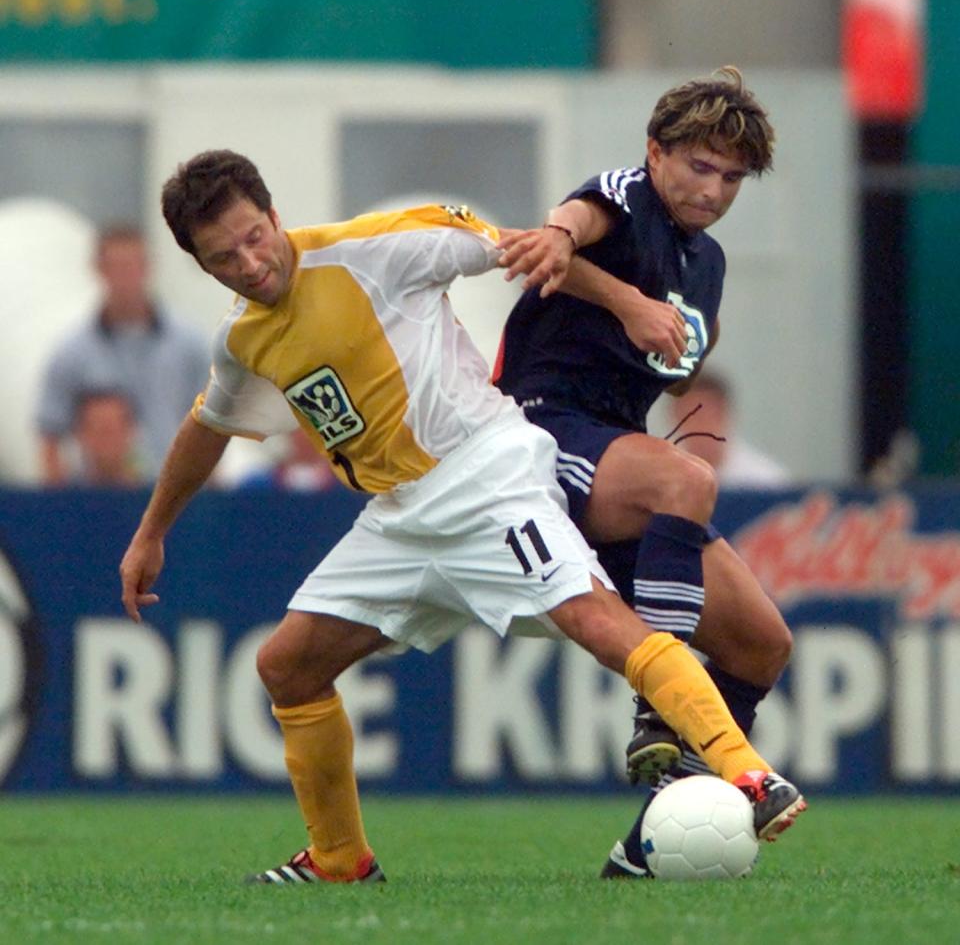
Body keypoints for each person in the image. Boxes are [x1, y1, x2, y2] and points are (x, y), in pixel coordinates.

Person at [119, 148, 804, 886]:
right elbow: (206, 427)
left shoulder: (375, 248)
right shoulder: (241, 340)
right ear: (201, 264)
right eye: (224, 258)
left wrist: (629, 302)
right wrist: (151, 531)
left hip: (487, 474)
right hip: (402, 519)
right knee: (286, 666)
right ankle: (341, 860)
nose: (249, 264)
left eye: (255, 237)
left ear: (275, 215)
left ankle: (747, 775)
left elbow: (525, 249)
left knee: (598, 623)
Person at [495, 67, 797, 878]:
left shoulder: (709, 264)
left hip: (613, 451)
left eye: (731, 177)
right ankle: (660, 707)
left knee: (763, 645)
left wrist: (673, 333)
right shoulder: (629, 198)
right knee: (687, 479)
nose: (714, 189)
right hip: (537, 429)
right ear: (657, 154)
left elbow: (691, 339)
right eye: (699, 166)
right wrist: (594, 271)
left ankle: (649, 846)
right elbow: (572, 225)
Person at [35, 225, 210, 483]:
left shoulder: (190, 347)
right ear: (98, 270)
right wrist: (60, 508)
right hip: (98, 500)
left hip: (174, 495)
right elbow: (50, 435)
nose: (125, 277)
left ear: (148, 267)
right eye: (116, 267)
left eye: (132, 265)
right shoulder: (71, 354)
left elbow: (212, 429)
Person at [664, 369, 792, 488]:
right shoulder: (661, 477)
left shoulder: (767, 482)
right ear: (674, 417)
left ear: (725, 413)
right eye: (688, 416)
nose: (698, 425)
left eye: (706, 415)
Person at [71, 389, 143, 486]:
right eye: (98, 429)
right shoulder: (62, 495)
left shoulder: (153, 494)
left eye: (113, 429)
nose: (106, 439)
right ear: (80, 433)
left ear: (131, 431)